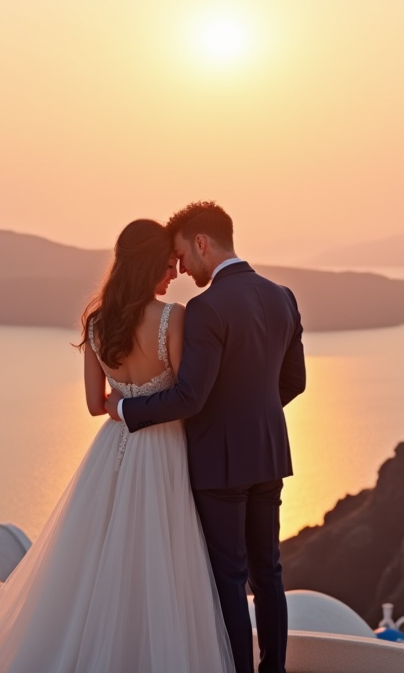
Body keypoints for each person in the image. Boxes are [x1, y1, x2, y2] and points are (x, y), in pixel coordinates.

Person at [0, 218, 235, 673]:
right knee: (165, 558)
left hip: (114, 448)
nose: (173, 276)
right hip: (164, 449)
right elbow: (186, 398)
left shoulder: (97, 324)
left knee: (103, 560)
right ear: (150, 265)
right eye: (167, 266)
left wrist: (124, 402)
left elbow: (94, 405)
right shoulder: (174, 317)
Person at [106, 201, 306, 673]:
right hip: (270, 455)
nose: (180, 271)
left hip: (219, 462)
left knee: (230, 579)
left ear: (201, 243)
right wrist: (254, 417)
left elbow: (190, 398)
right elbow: (293, 383)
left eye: (182, 256)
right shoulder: (283, 296)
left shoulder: (206, 307)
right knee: (269, 573)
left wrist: (126, 407)